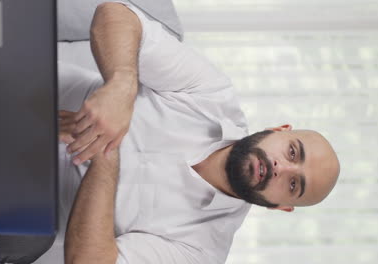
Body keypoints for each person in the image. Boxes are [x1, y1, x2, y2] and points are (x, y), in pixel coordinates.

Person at [54, 2, 340, 264]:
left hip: (17, 198)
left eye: (293, 185)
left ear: (280, 207)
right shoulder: (211, 93)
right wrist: (121, 84)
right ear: (278, 130)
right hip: (26, 91)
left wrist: (107, 153)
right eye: (292, 151)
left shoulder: (201, 251)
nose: (282, 168)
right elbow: (115, 14)